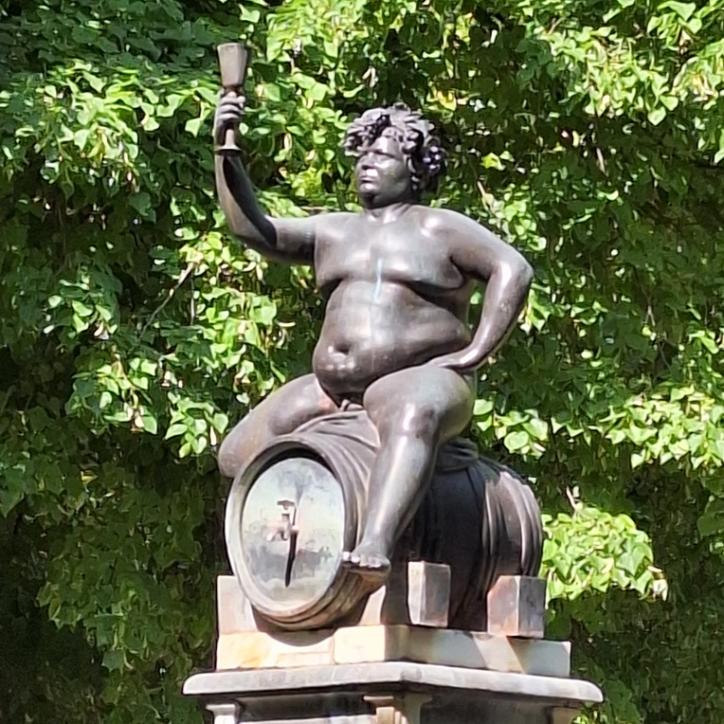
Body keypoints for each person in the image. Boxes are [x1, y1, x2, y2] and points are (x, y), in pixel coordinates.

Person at [213, 96, 533, 582]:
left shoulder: (439, 227)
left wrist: (475, 353)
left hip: (418, 379)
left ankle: (375, 540)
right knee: (238, 454)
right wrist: (226, 153)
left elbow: (513, 268)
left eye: (381, 156)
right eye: (362, 155)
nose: (367, 164)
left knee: (413, 412)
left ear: (415, 169)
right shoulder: (334, 231)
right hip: (331, 390)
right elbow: (253, 229)